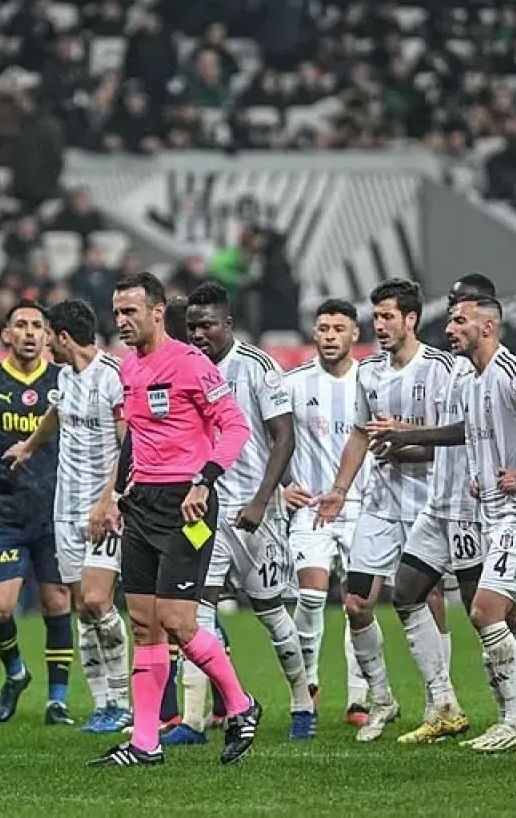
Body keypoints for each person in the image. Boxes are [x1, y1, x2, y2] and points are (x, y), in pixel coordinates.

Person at [375, 292, 516, 753]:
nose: (450, 328)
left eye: (459, 320)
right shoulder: (473, 379)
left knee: (487, 613)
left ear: (488, 326)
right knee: (497, 614)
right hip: (493, 513)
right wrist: (483, 478)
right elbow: (479, 437)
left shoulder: (509, 370)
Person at [89, 272, 258, 768]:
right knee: (144, 624)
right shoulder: (128, 369)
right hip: (142, 505)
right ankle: (145, 744)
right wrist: (116, 494)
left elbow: (236, 426)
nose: (121, 321)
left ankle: (241, 707)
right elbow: (134, 439)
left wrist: (203, 481)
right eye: (117, 312)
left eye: (130, 312)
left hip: (190, 505)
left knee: (180, 622)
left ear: (157, 312)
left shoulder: (190, 363)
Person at [314, 279, 457, 743]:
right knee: (355, 602)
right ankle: (381, 699)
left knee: (428, 600)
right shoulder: (370, 371)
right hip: (379, 504)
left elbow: (457, 438)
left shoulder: (441, 369)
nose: (379, 325)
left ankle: (441, 699)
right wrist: (339, 489)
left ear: (411, 319)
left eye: (388, 317)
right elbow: (360, 434)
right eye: (375, 317)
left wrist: (406, 442)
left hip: (430, 505)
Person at [170, 281, 313, 744]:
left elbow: (283, 438)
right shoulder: (182, 368)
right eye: (191, 326)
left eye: (206, 325)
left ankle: (302, 703)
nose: (197, 334)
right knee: (196, 613)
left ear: (227, 324)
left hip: (253, 512)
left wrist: (260, 501)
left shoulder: (258, 368)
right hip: (200, 512)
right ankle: (195, 720)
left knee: (271, 612)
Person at [4, 298, 132, 734]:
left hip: (105, 508)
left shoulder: (113, 377)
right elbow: (55, 414)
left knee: (99, 601)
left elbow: (128, 443)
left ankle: (121, 699)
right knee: (84, 609)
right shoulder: (64, 375)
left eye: (46, 334)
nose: (41, 344)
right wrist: (28, 446)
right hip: (65, 508)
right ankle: (101, 705)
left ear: (62, 336)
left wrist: (110, 499)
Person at [0, 300, 74, 726]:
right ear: (6, 333)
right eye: (20, 325)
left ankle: (57, 700)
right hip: (7, 512)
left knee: (57, 602)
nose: (28, 333)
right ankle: (16, 673)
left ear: (48, 335)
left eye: (37, 326)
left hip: (56, 512)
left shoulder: (66, 380)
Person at [281, 299, 372, 727]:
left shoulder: (371, 382)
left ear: (355, 334)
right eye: (323, 327)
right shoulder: (294, 382)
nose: (331, 334)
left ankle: (359, 697)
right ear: (314, 334)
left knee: (357, 606)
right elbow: (271, 439)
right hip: (312, 507)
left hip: (364, 510)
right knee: (311, 598)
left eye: (339, 327)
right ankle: (310, 684)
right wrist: (284, 486)